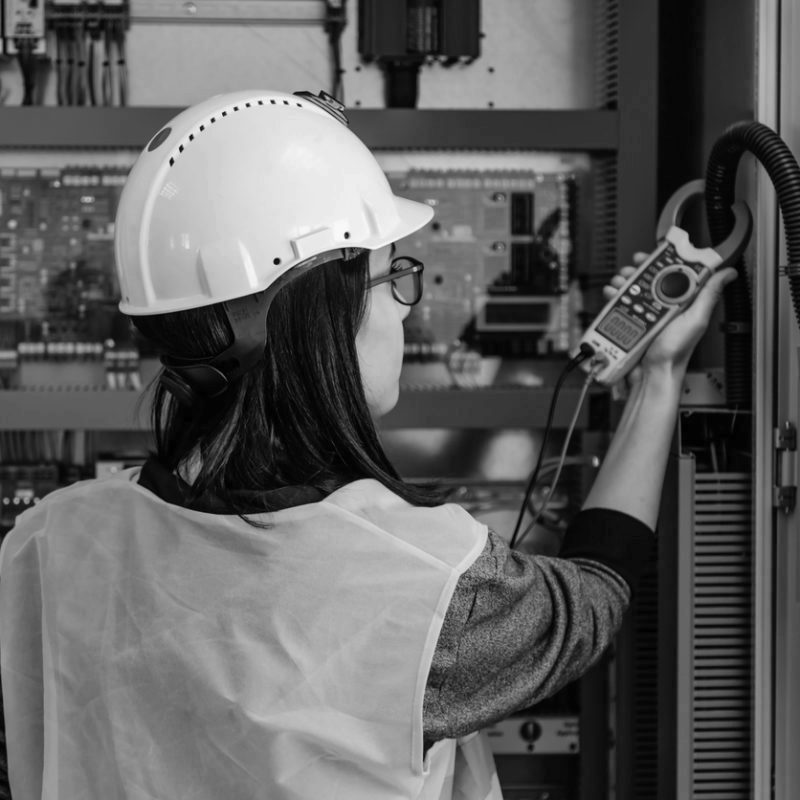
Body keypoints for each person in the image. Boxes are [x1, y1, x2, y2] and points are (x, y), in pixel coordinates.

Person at [0, 89, 736, 800]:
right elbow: (591, 602)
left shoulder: (46, 541)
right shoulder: (424, 585)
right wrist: (659, 379)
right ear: (323, 311)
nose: (406, 315)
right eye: (395, 277)